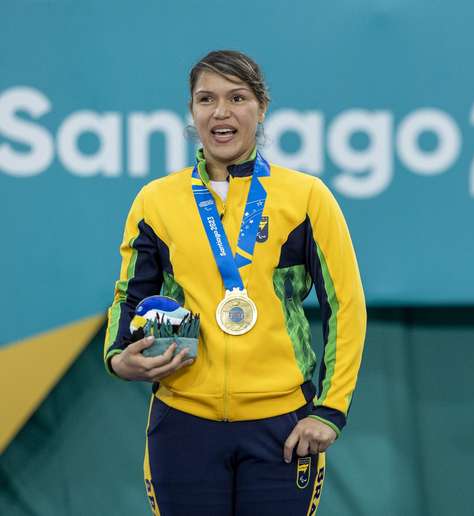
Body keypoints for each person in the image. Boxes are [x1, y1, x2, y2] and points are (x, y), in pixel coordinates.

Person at [103, 50, 367, 516]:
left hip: (281, 426)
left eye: (236, 97)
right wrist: (117, 355)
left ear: (261, 108)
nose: (220, 112)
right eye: (206, 99)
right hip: (183, 421)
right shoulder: (156, 201)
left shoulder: (306, 198)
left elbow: (345, 306)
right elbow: (131, 295)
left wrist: (330, 409)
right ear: (192, 112)